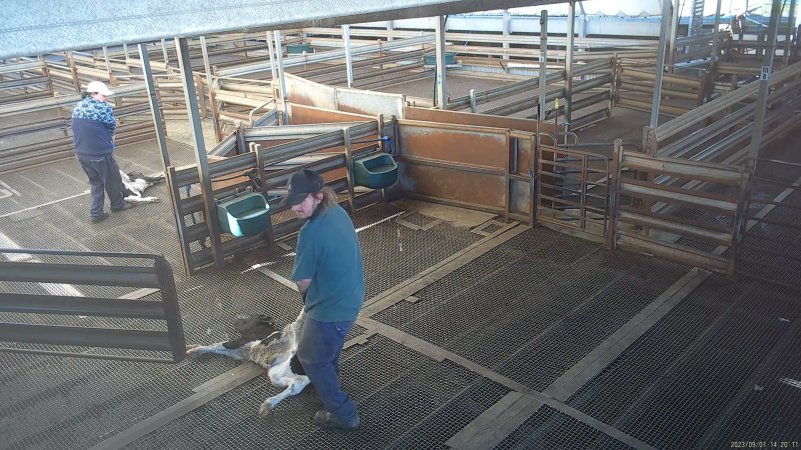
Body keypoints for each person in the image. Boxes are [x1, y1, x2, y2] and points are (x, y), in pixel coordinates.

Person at [283, 169, 365, 431]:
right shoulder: (336, 212)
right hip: (352, 295)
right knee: (326, 348)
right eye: (292, 200)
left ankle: (344, 412)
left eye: (300, 200)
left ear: (318, 196)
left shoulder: (310, 233)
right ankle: (327, 378)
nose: (295, 207)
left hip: (332, 307)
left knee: (311, 357)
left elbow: (302, 281)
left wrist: (309, 305)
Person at [71, 80, 133, 223]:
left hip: (81, 154)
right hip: (99, 153)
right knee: (112, 180)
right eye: (103, 95)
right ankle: (117, 204)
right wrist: (110, 145)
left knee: (96, 182)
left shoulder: (78, 107)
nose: (106, 98)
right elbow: (111, 127)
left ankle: (96, 213)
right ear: (93, 94)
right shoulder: (102, 108)